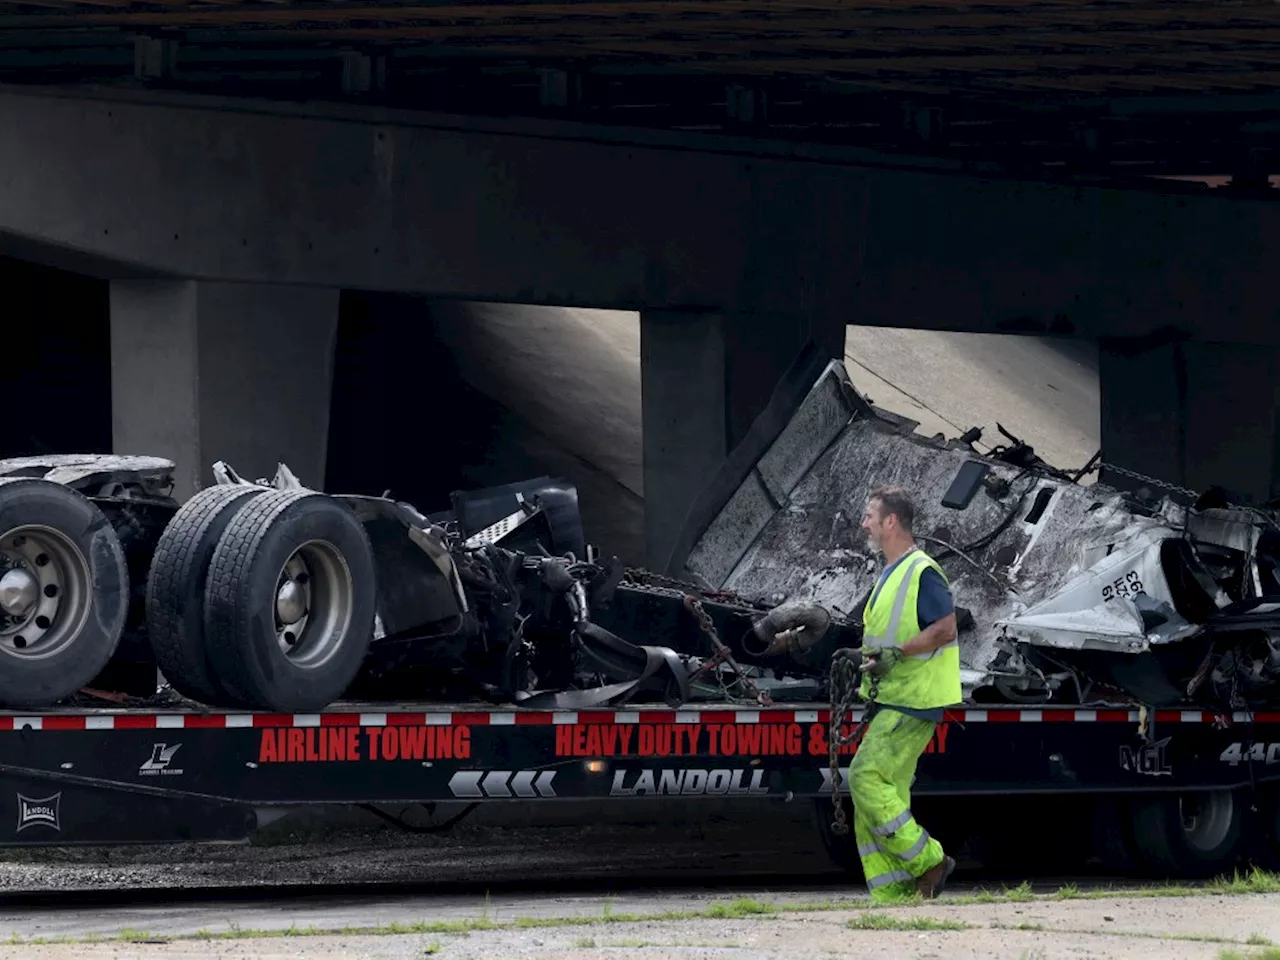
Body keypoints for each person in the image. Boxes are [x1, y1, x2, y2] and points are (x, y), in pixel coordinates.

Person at [849, 484, 961, 901]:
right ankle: (895, 897)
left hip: (913, 699)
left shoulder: (922, 571)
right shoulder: (892, 573)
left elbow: (945, 628)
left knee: (864, 778)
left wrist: (896, 655)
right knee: (880, 799)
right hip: (893, 696)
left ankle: (929, 861)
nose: (865, 524)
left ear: (891, 521)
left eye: (870, 516)